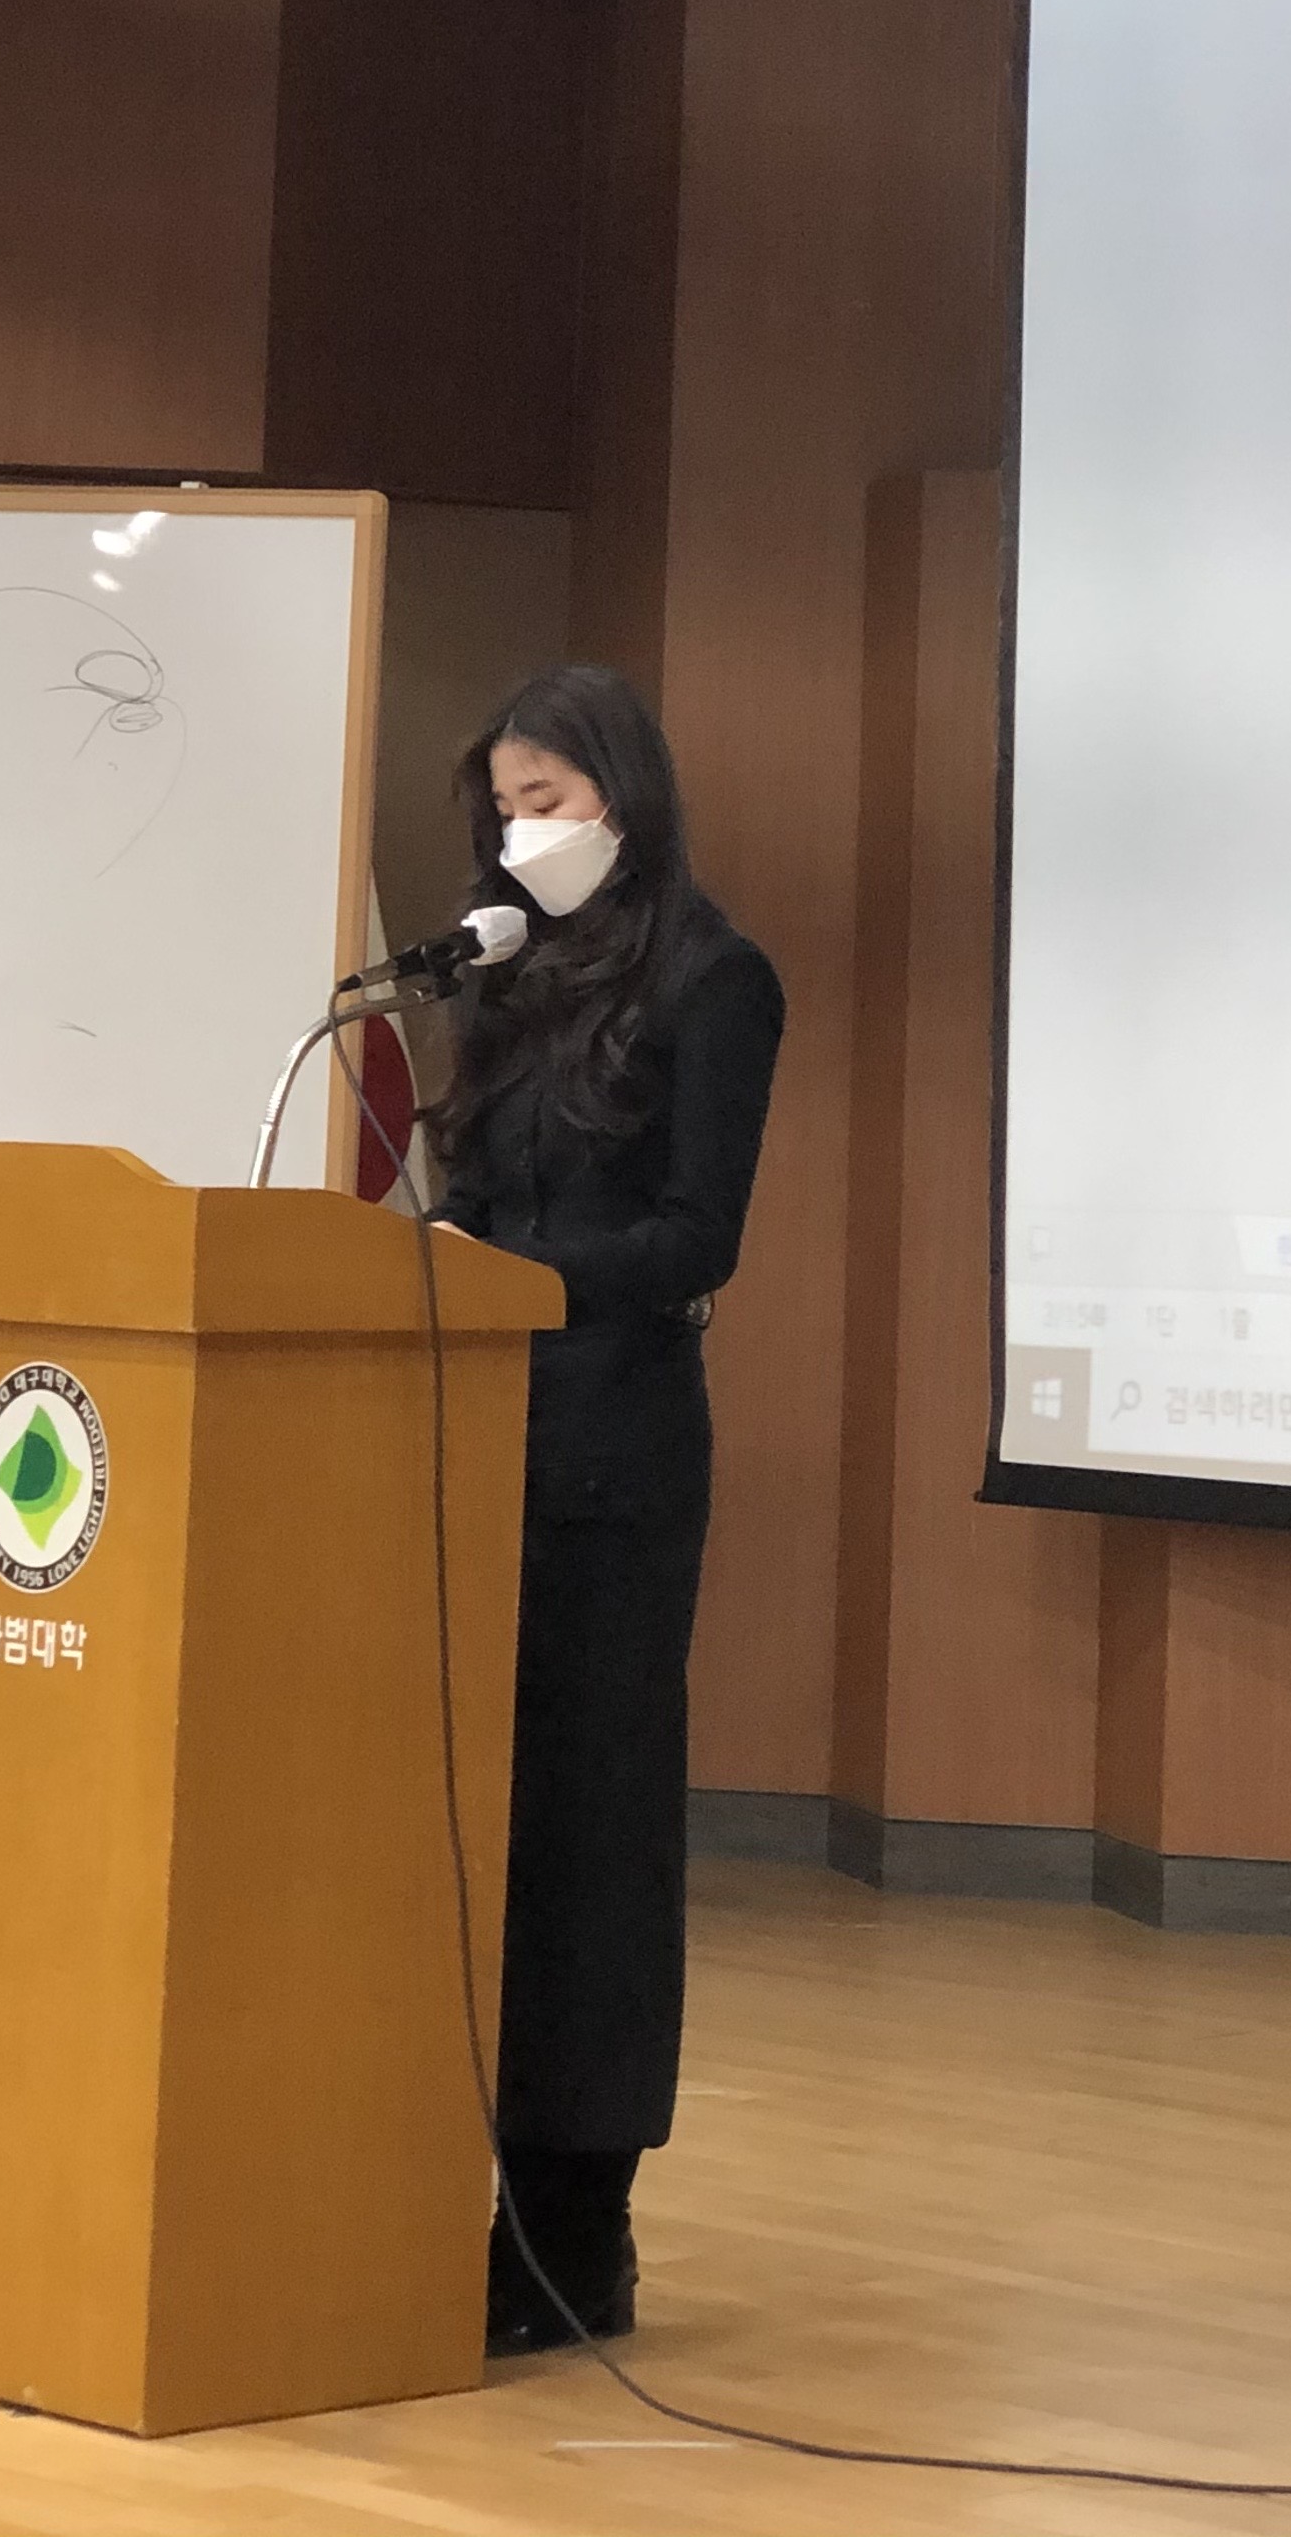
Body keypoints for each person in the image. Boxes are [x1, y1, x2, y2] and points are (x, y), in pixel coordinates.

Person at [427, 665, 784, 2356]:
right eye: (504, 807)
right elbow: (476, 1195)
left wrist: (513, 1279)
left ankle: (580, 2231)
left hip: (615, 1462)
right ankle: (455, 2188)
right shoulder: (503, 978)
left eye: (548, 802)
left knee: (590, 1838)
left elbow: (698, 1237)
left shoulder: (717, 980)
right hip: (475, 1446)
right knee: (481, 1833)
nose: (522, 834)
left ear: (625, 800)